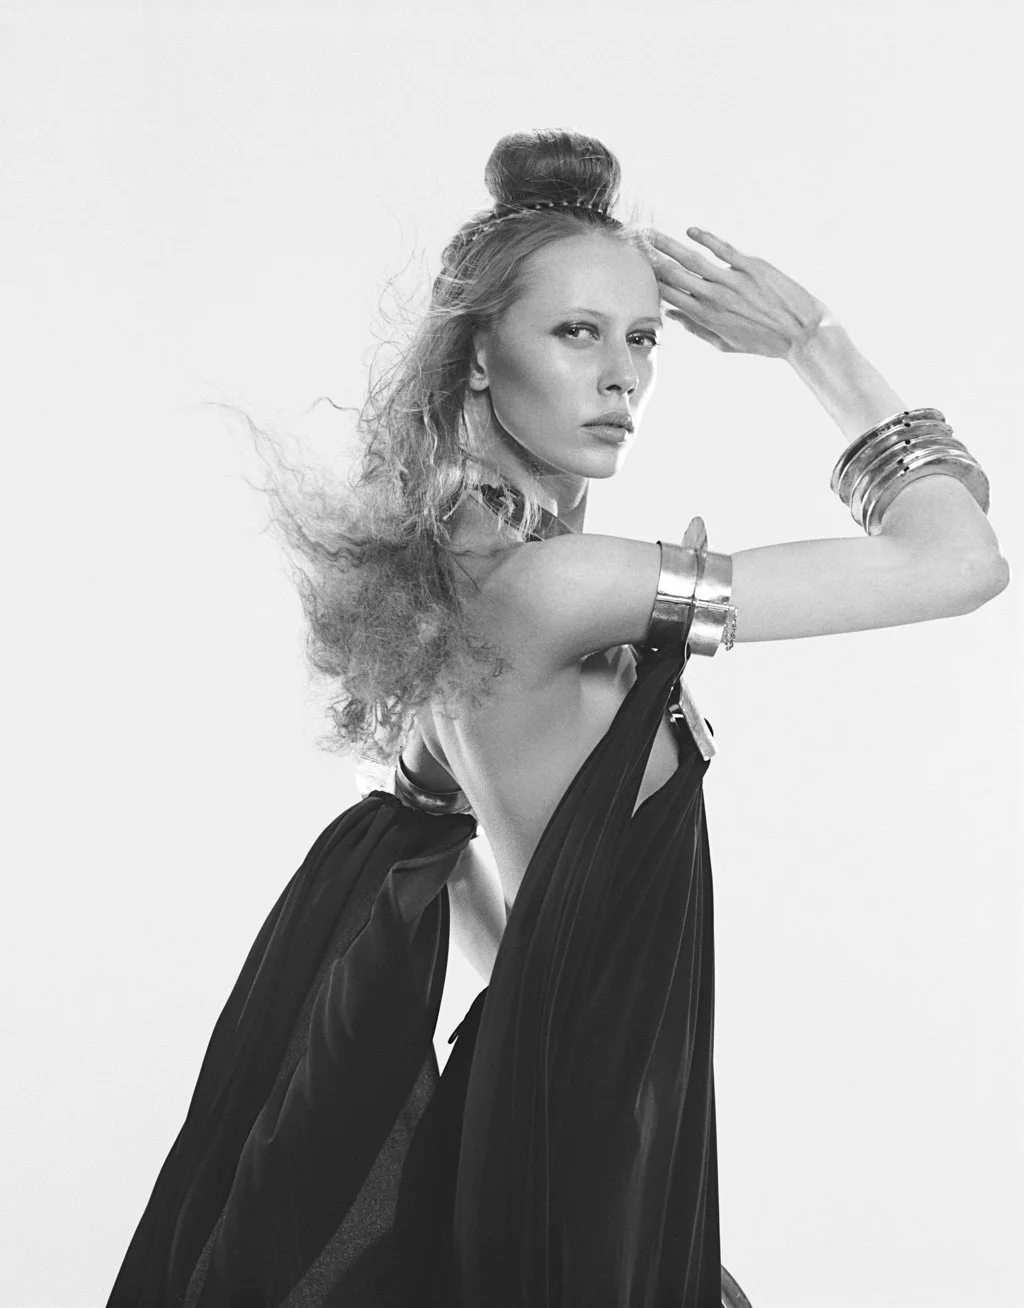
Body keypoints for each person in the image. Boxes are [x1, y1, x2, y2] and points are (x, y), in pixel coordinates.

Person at [106, 129, 1009, 1308]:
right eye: (577, 333)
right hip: (590, 1180)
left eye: (642, 337)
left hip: (570, 1150)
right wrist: (811, 344)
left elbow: (951, 529)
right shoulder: (553, 591)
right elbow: (958, 561)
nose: (624, 376)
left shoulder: (464, 571)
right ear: (477, 351)